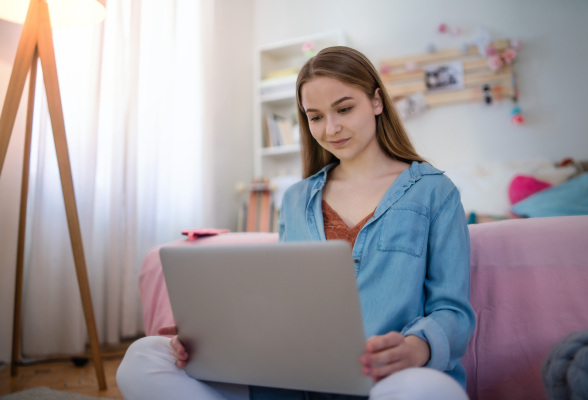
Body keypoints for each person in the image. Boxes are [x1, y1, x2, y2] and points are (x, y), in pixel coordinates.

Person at [117, 46, 475, 400]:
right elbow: (280, 302)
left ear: (377, 102)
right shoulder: (295, 199)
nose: (331, 128)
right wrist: (209, 339)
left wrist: (415, 348)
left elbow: (452, 310)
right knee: (143, 356)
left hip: (384, 381)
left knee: (432, 391)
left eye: (344, 108)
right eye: (315, 116)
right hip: (292, 382)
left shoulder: (435, 192)